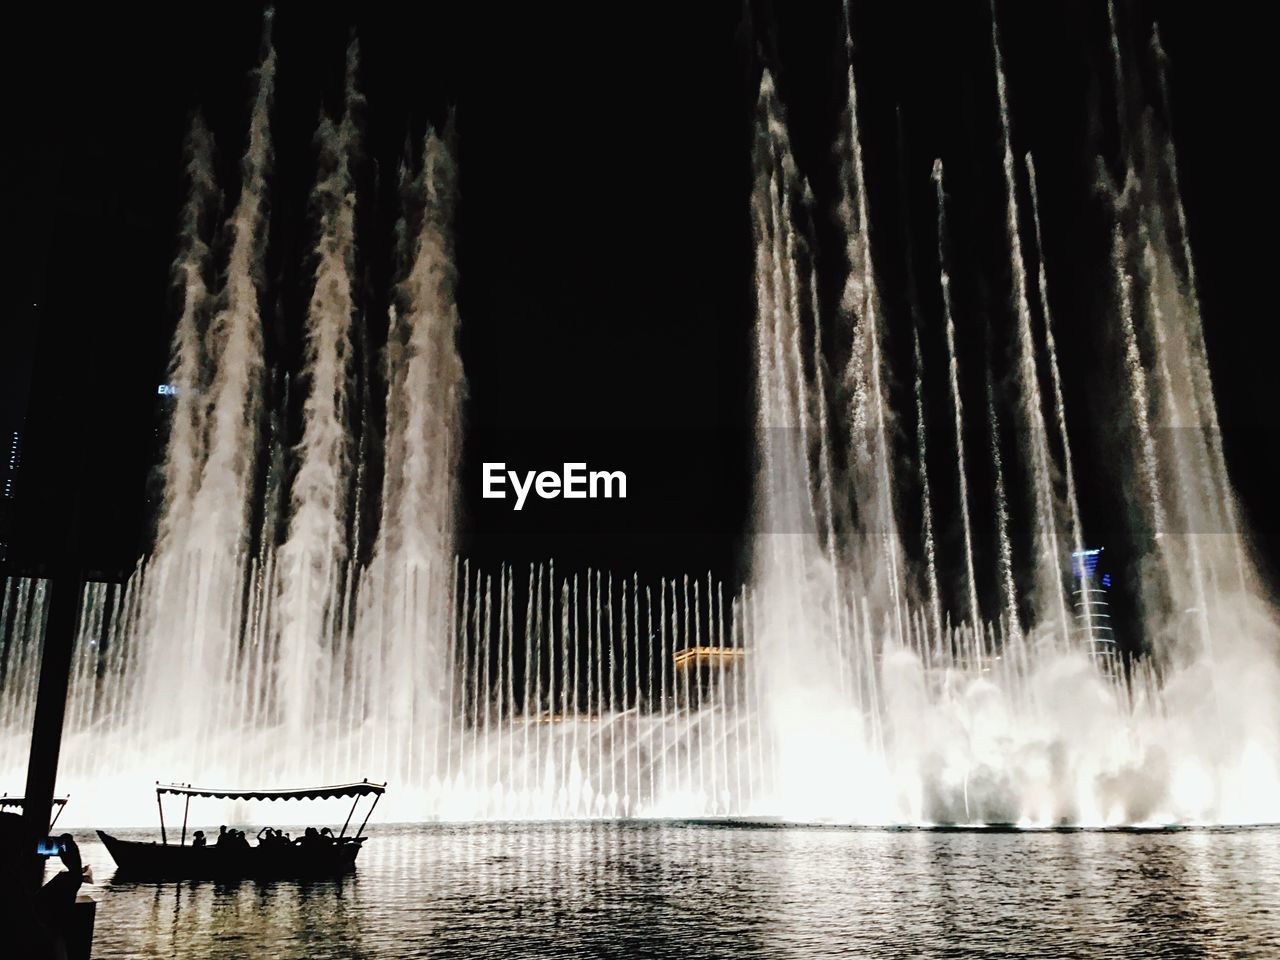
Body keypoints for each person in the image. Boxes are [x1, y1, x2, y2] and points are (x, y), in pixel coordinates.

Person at [0, 813, 84, 960]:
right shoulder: (9, 885)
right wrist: (75, 871)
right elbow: (39, 936)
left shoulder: (11, 883)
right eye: (23, 845)